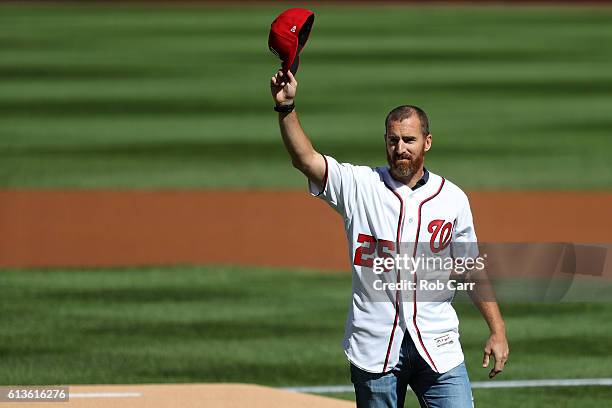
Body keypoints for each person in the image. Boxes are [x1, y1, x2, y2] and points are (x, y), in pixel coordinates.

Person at [270, 69, 509, 408]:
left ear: (426, 142)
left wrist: (497, 329)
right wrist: (287, 108)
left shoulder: (452, 198)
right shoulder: (360, 185)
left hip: (438, 344)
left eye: (409, 140)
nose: (400, 148)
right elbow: (305, 160)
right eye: (393, 140)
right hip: (375, 346)